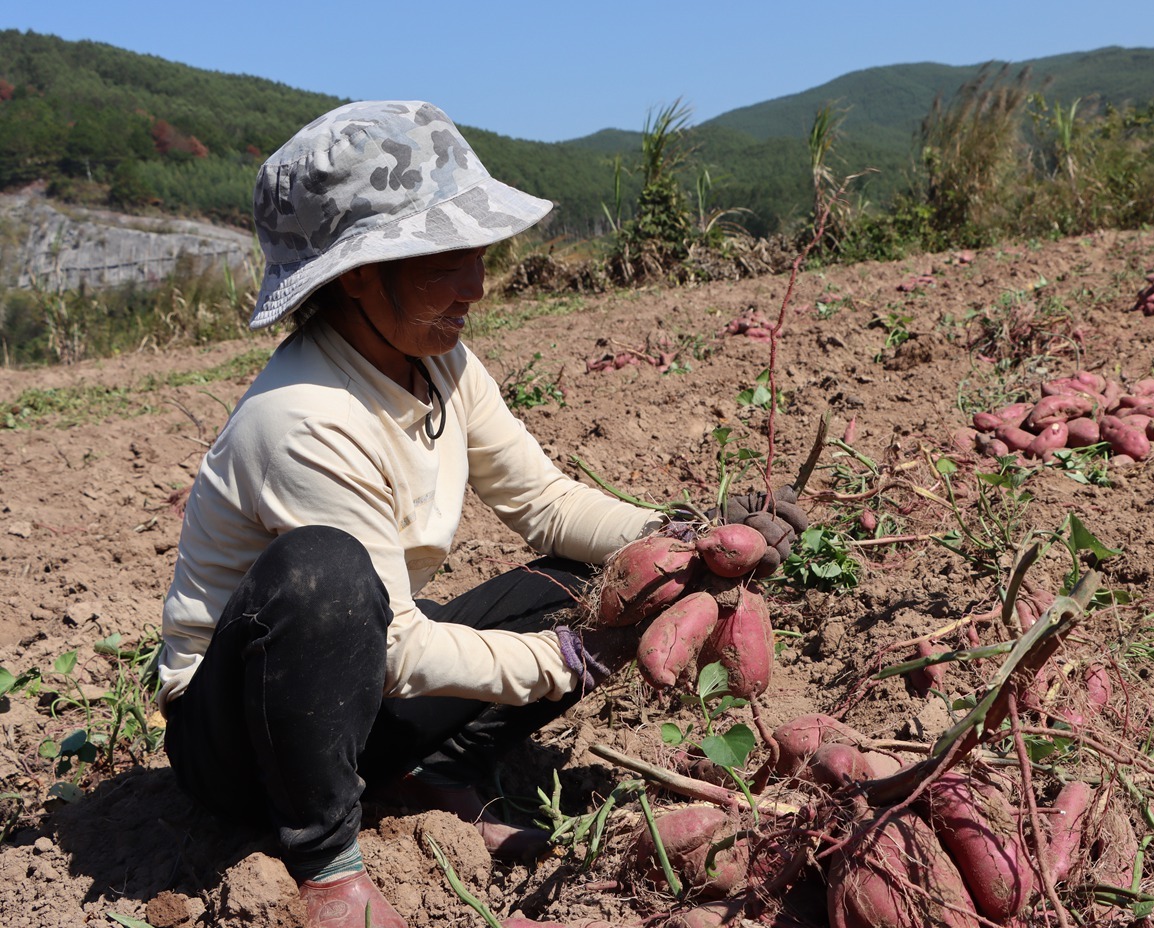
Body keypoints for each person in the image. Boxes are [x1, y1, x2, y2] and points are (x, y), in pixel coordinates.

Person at [156, 100, 807, 928]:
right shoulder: (303, 418)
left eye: (477, 254)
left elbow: (547, 504)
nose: (477, 285)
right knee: (327, 577)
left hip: (358, 686)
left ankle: (430, 776)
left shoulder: (439, 360)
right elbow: (393, 645)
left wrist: (685, 539)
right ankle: (326, 864)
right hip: (247, 739)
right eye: (446, 260)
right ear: (360, 272)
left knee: (600, 578)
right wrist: (566, 659)